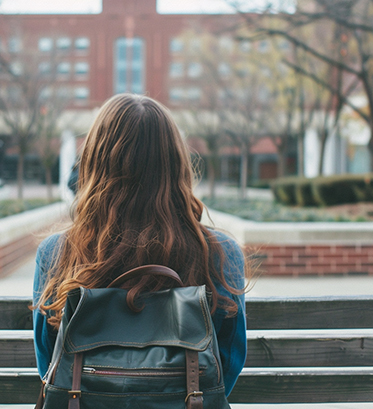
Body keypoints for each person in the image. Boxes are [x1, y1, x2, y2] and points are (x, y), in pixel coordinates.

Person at [32, 93, 247, 397]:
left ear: (94, 162)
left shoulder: (57, 251)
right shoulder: (221, 251)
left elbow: (50, 367)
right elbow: (226, 366)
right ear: (176, 164)